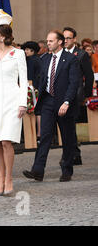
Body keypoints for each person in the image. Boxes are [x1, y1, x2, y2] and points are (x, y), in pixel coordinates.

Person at [23, 30, 80, 182]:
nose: (47, 44)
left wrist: (67, 101)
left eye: (50, 41)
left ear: (60, 42)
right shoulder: (45, 59)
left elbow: (74, 83)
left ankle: (67, 170)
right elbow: (42, 78)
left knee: (67, 138)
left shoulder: (70, 59)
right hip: (48, 101)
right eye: (47, 41)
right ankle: (38, 170)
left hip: (63, 103)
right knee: (45, 136)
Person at [0, 15, 28, 196]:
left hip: (13, 100)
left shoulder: (18, 53)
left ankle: (9, 178)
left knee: (6, 141)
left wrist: (22, 103)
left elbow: (24, 80)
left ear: (2, 36)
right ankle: (1, 181)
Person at [63, 27, 94, 165]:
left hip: (76, 94)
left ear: (74, 39)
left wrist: (86, 95)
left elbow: (88, 75)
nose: (66, 41)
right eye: (63, 38)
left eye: (68, 38)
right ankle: (72, 153)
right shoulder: (60, 53)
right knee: (66, 126)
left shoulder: (81, 54)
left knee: (71, 125)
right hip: (62, 94)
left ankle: (73, 154)